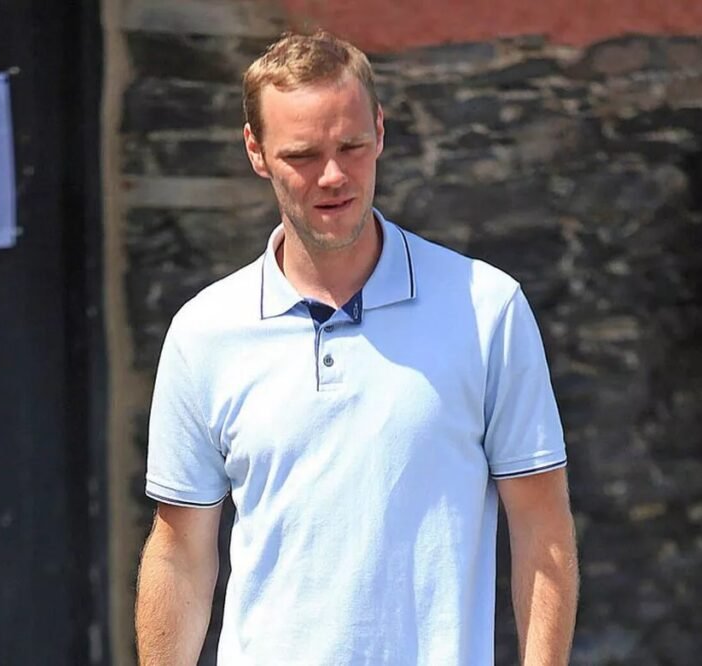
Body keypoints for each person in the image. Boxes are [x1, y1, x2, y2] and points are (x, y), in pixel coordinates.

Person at [135, 31, 578, 665]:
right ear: (256, 151)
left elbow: (542, 527)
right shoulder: (204, 332)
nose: (334, 176)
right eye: (303, 155)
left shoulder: (486, 308)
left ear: (381, 130)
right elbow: (179, 552)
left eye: (351, 146)